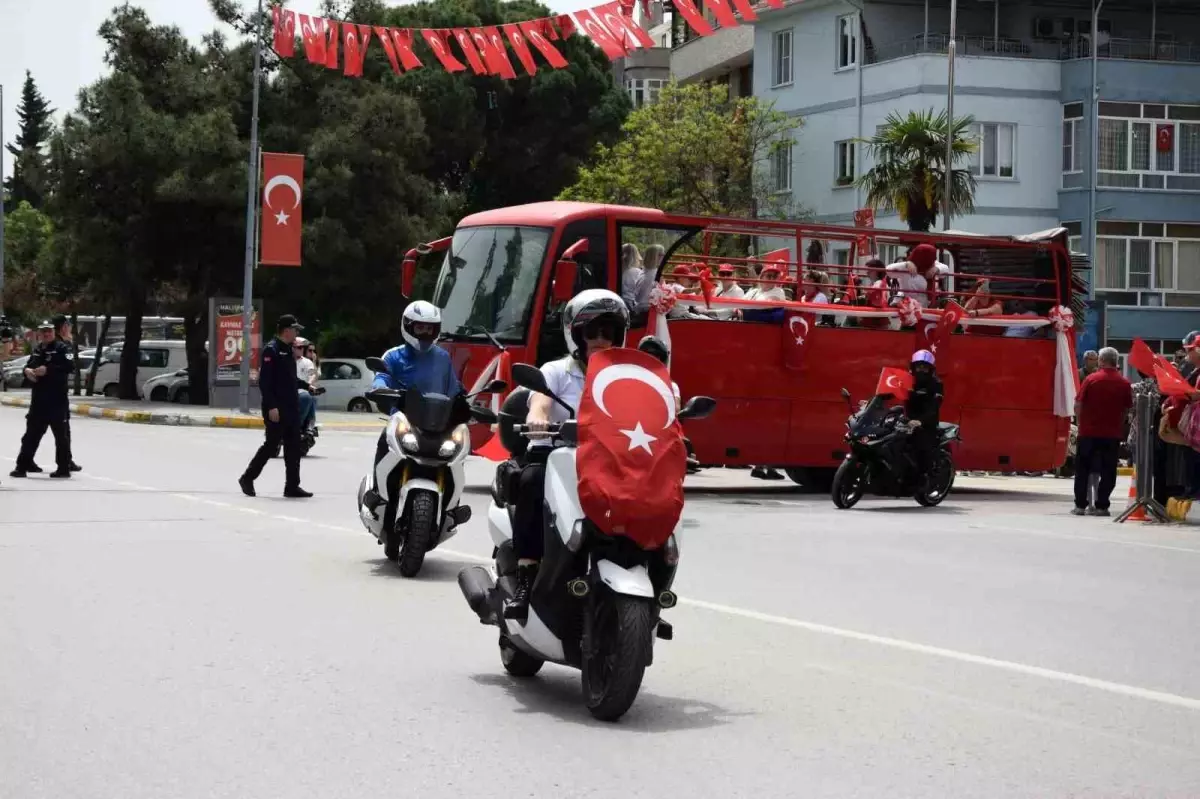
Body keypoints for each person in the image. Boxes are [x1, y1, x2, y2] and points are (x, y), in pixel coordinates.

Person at [506, 289, 627, 622]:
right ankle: (526, 576)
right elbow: (539, 401)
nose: (601, 338)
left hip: (609, 460)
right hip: (558, 455)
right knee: (531, 480)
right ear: (576, 334)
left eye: (609, 331)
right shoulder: (557, 370)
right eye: (593, 331)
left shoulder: (626, 376)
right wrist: (539, 418)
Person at [360, 301, 468, 513]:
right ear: (408, 326)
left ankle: (451, 507)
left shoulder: (442, 358)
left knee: (457, 450)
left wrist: (465, 401)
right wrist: (380, 389)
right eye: (420, 328)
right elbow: (381, 377)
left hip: (437, 421)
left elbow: (454, 388)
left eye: (430, 328)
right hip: (404, 419)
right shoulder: (393, 356)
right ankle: (377, 495)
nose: (425, 333)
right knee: (385, 440)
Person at [239, 315, 312, 498]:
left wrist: (307, 386)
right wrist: (272, 406)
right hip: (276, 408)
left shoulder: (288, 350)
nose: (296, 333)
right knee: (271, 445)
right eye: (295, 329)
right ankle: (247, 478)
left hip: (291, 406)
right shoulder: (271, 350)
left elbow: (290, 379)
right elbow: (265, 382)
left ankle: (292, 486)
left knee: (293, 447)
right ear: (286, 330)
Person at [11, 315, 76, 479]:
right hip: (39, 400)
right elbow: (30, 365)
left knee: (61, 436)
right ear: (39, 333)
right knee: (30, 435)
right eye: (43, 332)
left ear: (53, 332)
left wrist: (48, 370)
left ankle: (63, 468)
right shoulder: (38, 349)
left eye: (48, 331)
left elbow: (69, 366)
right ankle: (22, 466)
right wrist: (27, 371)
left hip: (57, 400)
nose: (46, 334)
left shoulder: (62, 348)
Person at [1072, 347, 1132, 516]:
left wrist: (1081, 422)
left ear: (1102, 361)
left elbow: (1078, 404)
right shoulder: (1124, 383)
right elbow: (1127, 409)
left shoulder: (1091, 379)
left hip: (1088, 432)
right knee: (1108, 470)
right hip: (1111, 434)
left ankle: (1080, 505)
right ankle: (1102, 506)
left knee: (1083, 469)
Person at [904, 349, 944, 487]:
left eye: (924, 367)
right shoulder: (907, 380)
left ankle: (923, 479)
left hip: (926, 423)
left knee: (921, 446)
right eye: (918, 366)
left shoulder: (936, 384)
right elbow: (890, 391)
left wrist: (921, 421)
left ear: (930, 369)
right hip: (907, 420)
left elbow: (934, 407)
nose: (921, 370)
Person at [294, 337, 318, 431]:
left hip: (302, 390)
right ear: (292, 348)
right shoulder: (286, 361)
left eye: (302, 348)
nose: (301, 350)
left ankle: (308, 424)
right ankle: (297, 426)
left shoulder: (307, 362)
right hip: (288, 391)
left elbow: (312, 374)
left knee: (311, 396)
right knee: (307, 397)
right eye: (299, 347)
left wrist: (309, 384)